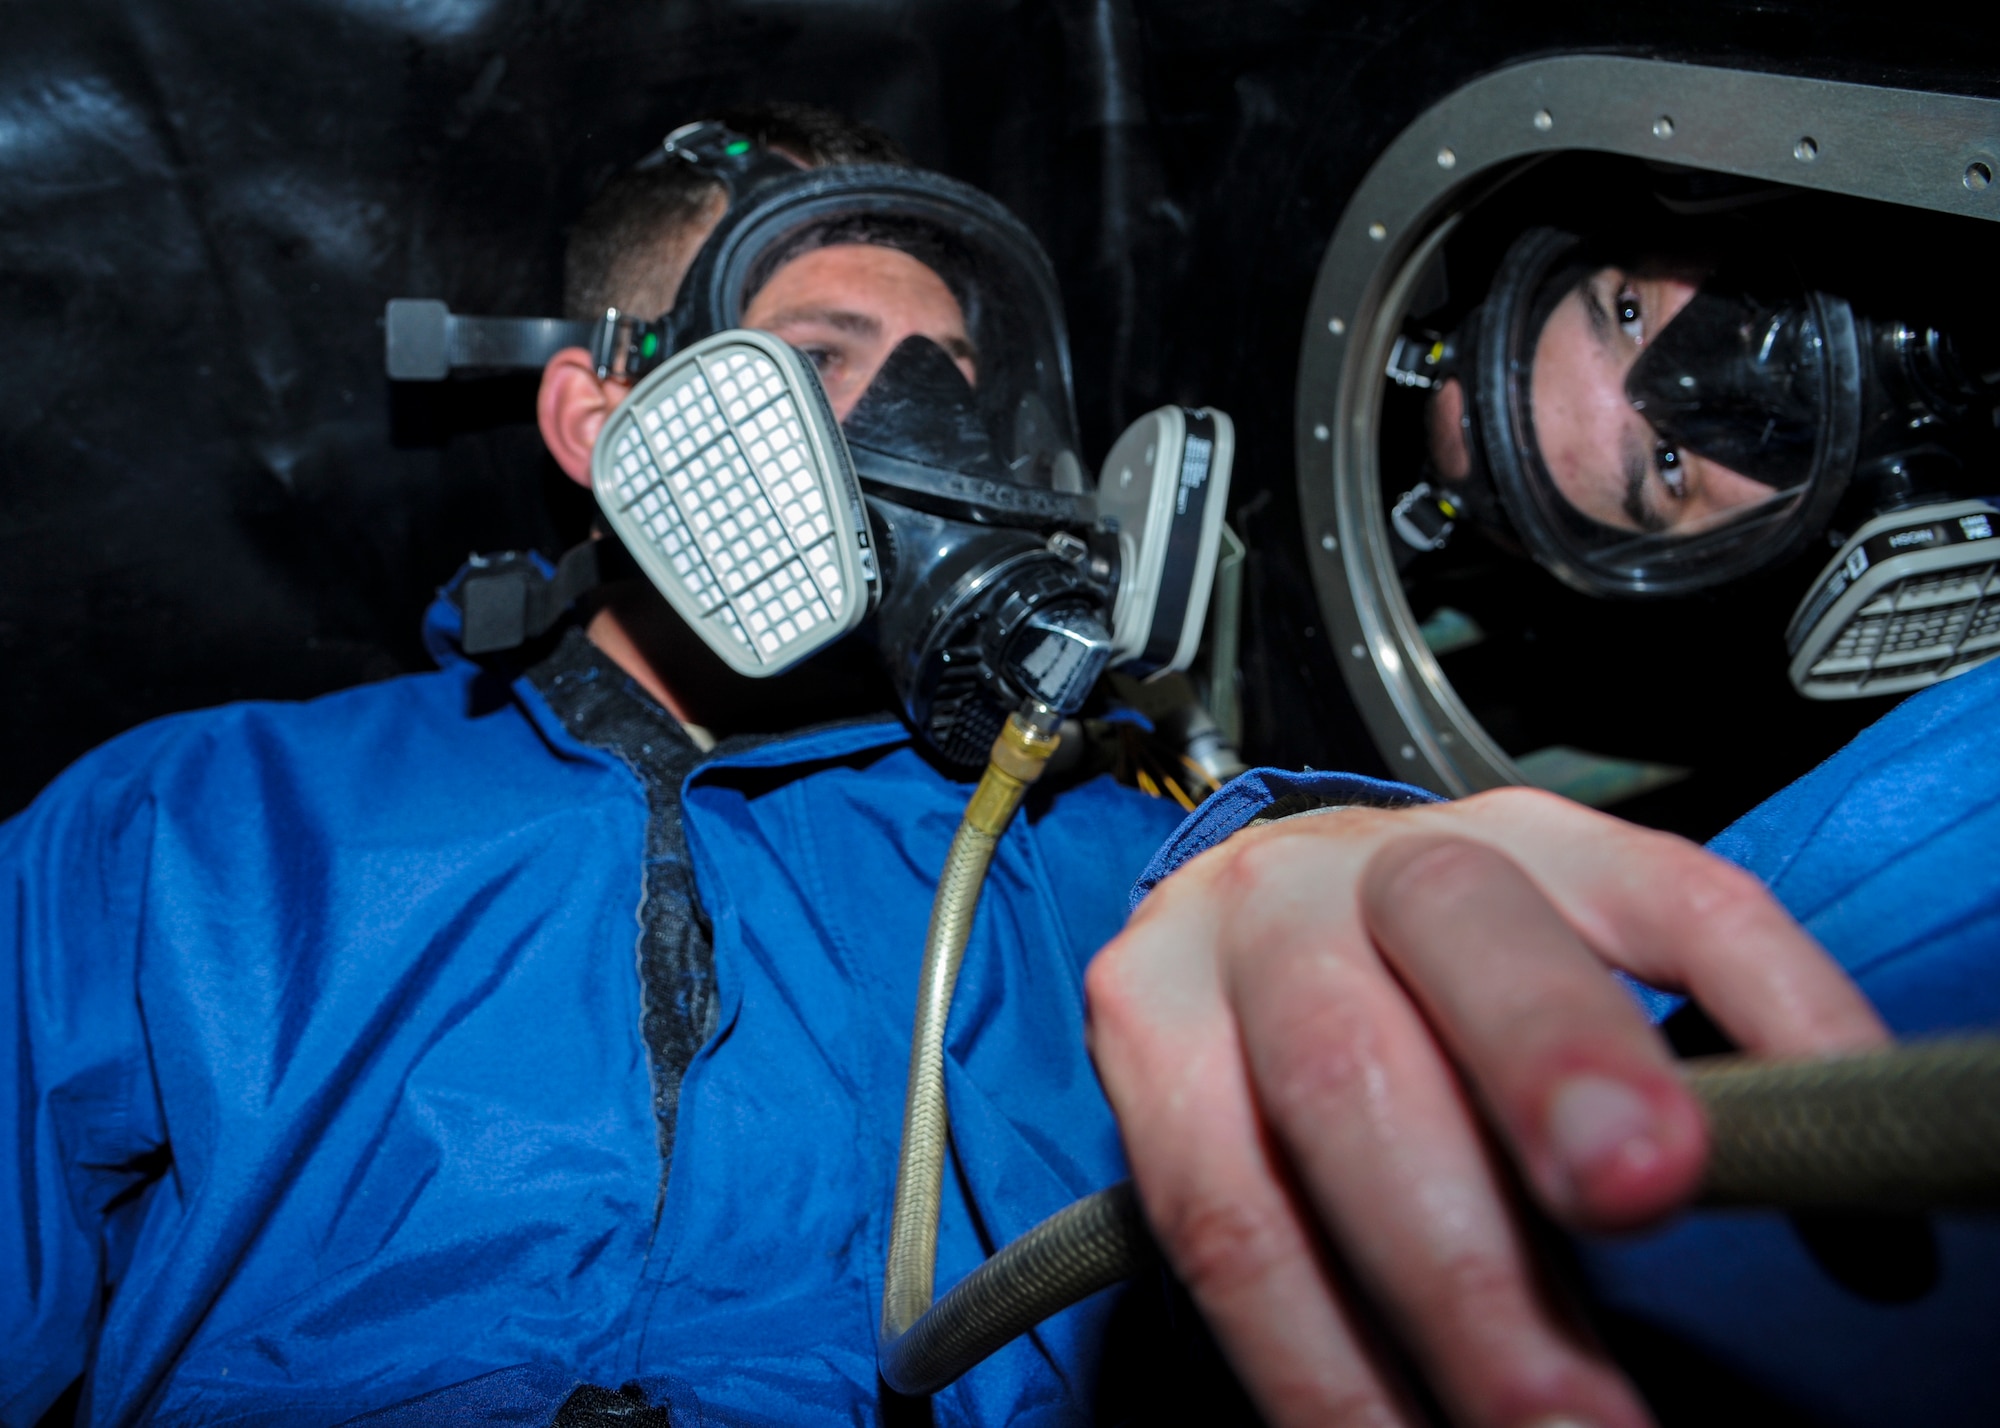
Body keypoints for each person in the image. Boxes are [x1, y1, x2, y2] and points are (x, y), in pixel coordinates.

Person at [1, 104, 1985, 1428]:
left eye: (965, 372)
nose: (930, 418)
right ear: (611, 416)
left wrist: (1304, 874)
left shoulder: (1079, 859)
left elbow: (1280, 940)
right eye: (841, 351)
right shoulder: (187, 828)